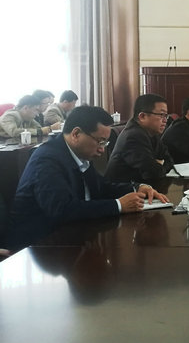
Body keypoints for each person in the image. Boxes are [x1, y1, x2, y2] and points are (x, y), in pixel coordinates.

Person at [5, 106, 168, 250]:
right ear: (76, 134)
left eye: (105, 143)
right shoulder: (47, 160)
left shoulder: (77, 154)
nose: (102, 150)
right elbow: (62, 210)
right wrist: (118, 205)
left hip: (70, 234)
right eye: (100, 141)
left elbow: (101, 187)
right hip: (38, 245)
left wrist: (137, 187)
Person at [104, 94, 174, 183]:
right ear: (142, 116)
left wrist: (159, 165)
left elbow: (169, 161)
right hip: (123, 189)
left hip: (143, 186)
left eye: (166, 115)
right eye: (161, 115)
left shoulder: (152, 132)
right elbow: (153, 173)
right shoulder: (133, 136)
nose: (165, 120)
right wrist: (159, 164)